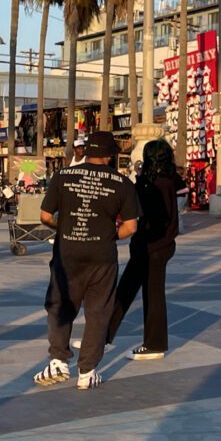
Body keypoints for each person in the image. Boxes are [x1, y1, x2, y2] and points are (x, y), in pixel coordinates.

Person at [34, 131, 138, 390]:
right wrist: (112, 236)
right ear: (109, 154)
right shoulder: (122, 183)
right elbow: (131, 227)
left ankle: (58, 359)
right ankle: (87, 371)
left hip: (67, 253)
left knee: (60, 305)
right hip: (102, 256)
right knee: (98, 312)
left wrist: (64, 227)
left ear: (86, 151)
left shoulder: (63, 176)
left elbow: (45, 216)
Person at [106, 139, 181, 361]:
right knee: (126, 289)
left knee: (152, 294)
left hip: (153, 247)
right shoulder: (163, 179)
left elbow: (153, 215)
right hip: (151, 246)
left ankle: (155, 344)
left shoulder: (159, 183)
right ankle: (102, 335)